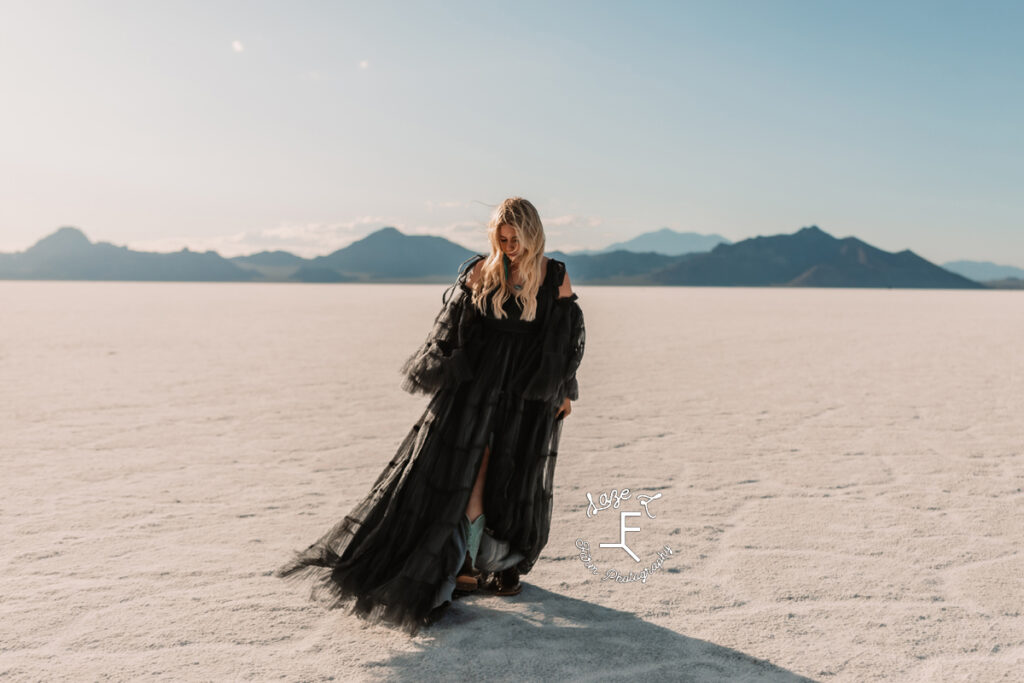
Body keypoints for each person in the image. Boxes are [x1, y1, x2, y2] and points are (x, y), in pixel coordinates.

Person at [275, 197, 586, 635]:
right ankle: (465, 561)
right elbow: (451, 329)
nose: (510, 246)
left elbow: (567, 336)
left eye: (516, 239)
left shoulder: (553, 274)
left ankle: (500, 564)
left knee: (513, 474)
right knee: (468, 470)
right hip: (475, 392)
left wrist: (565, 390)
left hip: (526, 395)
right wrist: (443, 372)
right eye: (502, 239)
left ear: (532, 234)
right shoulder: (482, 270)